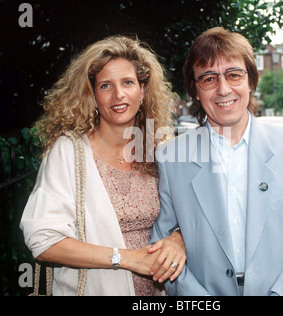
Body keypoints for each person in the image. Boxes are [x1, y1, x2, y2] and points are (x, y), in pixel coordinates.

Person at [151, 27, 283, 296]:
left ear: (251, 82)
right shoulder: (170, 157)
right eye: (209, 79)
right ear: (196, 91)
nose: (223, 89)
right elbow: (162, 244)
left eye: (234, 75)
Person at [20, 35, 186, 296]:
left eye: (128, 83)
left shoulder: (159, 148)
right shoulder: (69, 151)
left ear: (142, 91)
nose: (118, 94)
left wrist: (180, 239)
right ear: (92, 95)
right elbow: (44, 240)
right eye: (106, 85)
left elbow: (195, 216)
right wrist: (126, 258)